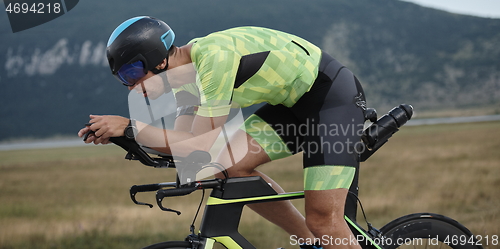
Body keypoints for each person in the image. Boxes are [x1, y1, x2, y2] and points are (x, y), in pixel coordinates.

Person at [78, 16, 367, 249]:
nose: (130, 87)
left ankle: (319, 235)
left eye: (132, 74)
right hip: (292, 105)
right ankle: (311, 244)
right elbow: (188, 150)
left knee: (324, 221)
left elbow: (199, 141)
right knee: (226, 166)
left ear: (159, 61)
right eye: (122, 79)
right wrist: (126, 137)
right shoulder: (186, 82)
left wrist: (130, 126)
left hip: (331, 97)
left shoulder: (213, 60)